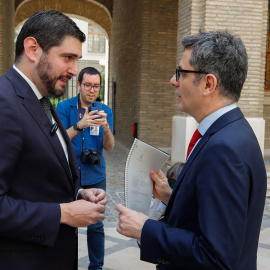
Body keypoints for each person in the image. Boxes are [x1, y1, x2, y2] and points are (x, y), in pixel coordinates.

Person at [115, 30, 267, 269]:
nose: (173, 81)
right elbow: (215, 215)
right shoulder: (231, 131)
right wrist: (171, 197)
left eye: (181, 73)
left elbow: (216, 256)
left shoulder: (223, 149)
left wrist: (145, 229)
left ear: (208, 83)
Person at [0, 10, 107, 270]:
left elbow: (38, 176)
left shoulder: (41, 100)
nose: (74, 70)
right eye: (68, 57)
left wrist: (78, 193)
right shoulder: (5, 103)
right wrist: (65, 213)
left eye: (77, 59)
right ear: (33, 49)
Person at [56, 67, 115, 270]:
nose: (92, 90)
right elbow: (58, 143)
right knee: (67, 222)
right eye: (88, 85)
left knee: (96, 224)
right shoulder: (64, 107)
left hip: (95, 174)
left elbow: (109, 147)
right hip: (69, 174)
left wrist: (106, 128)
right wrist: (80, 125)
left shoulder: (105, 110)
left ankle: (96, 267)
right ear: (79, 84)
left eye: (96, 86)